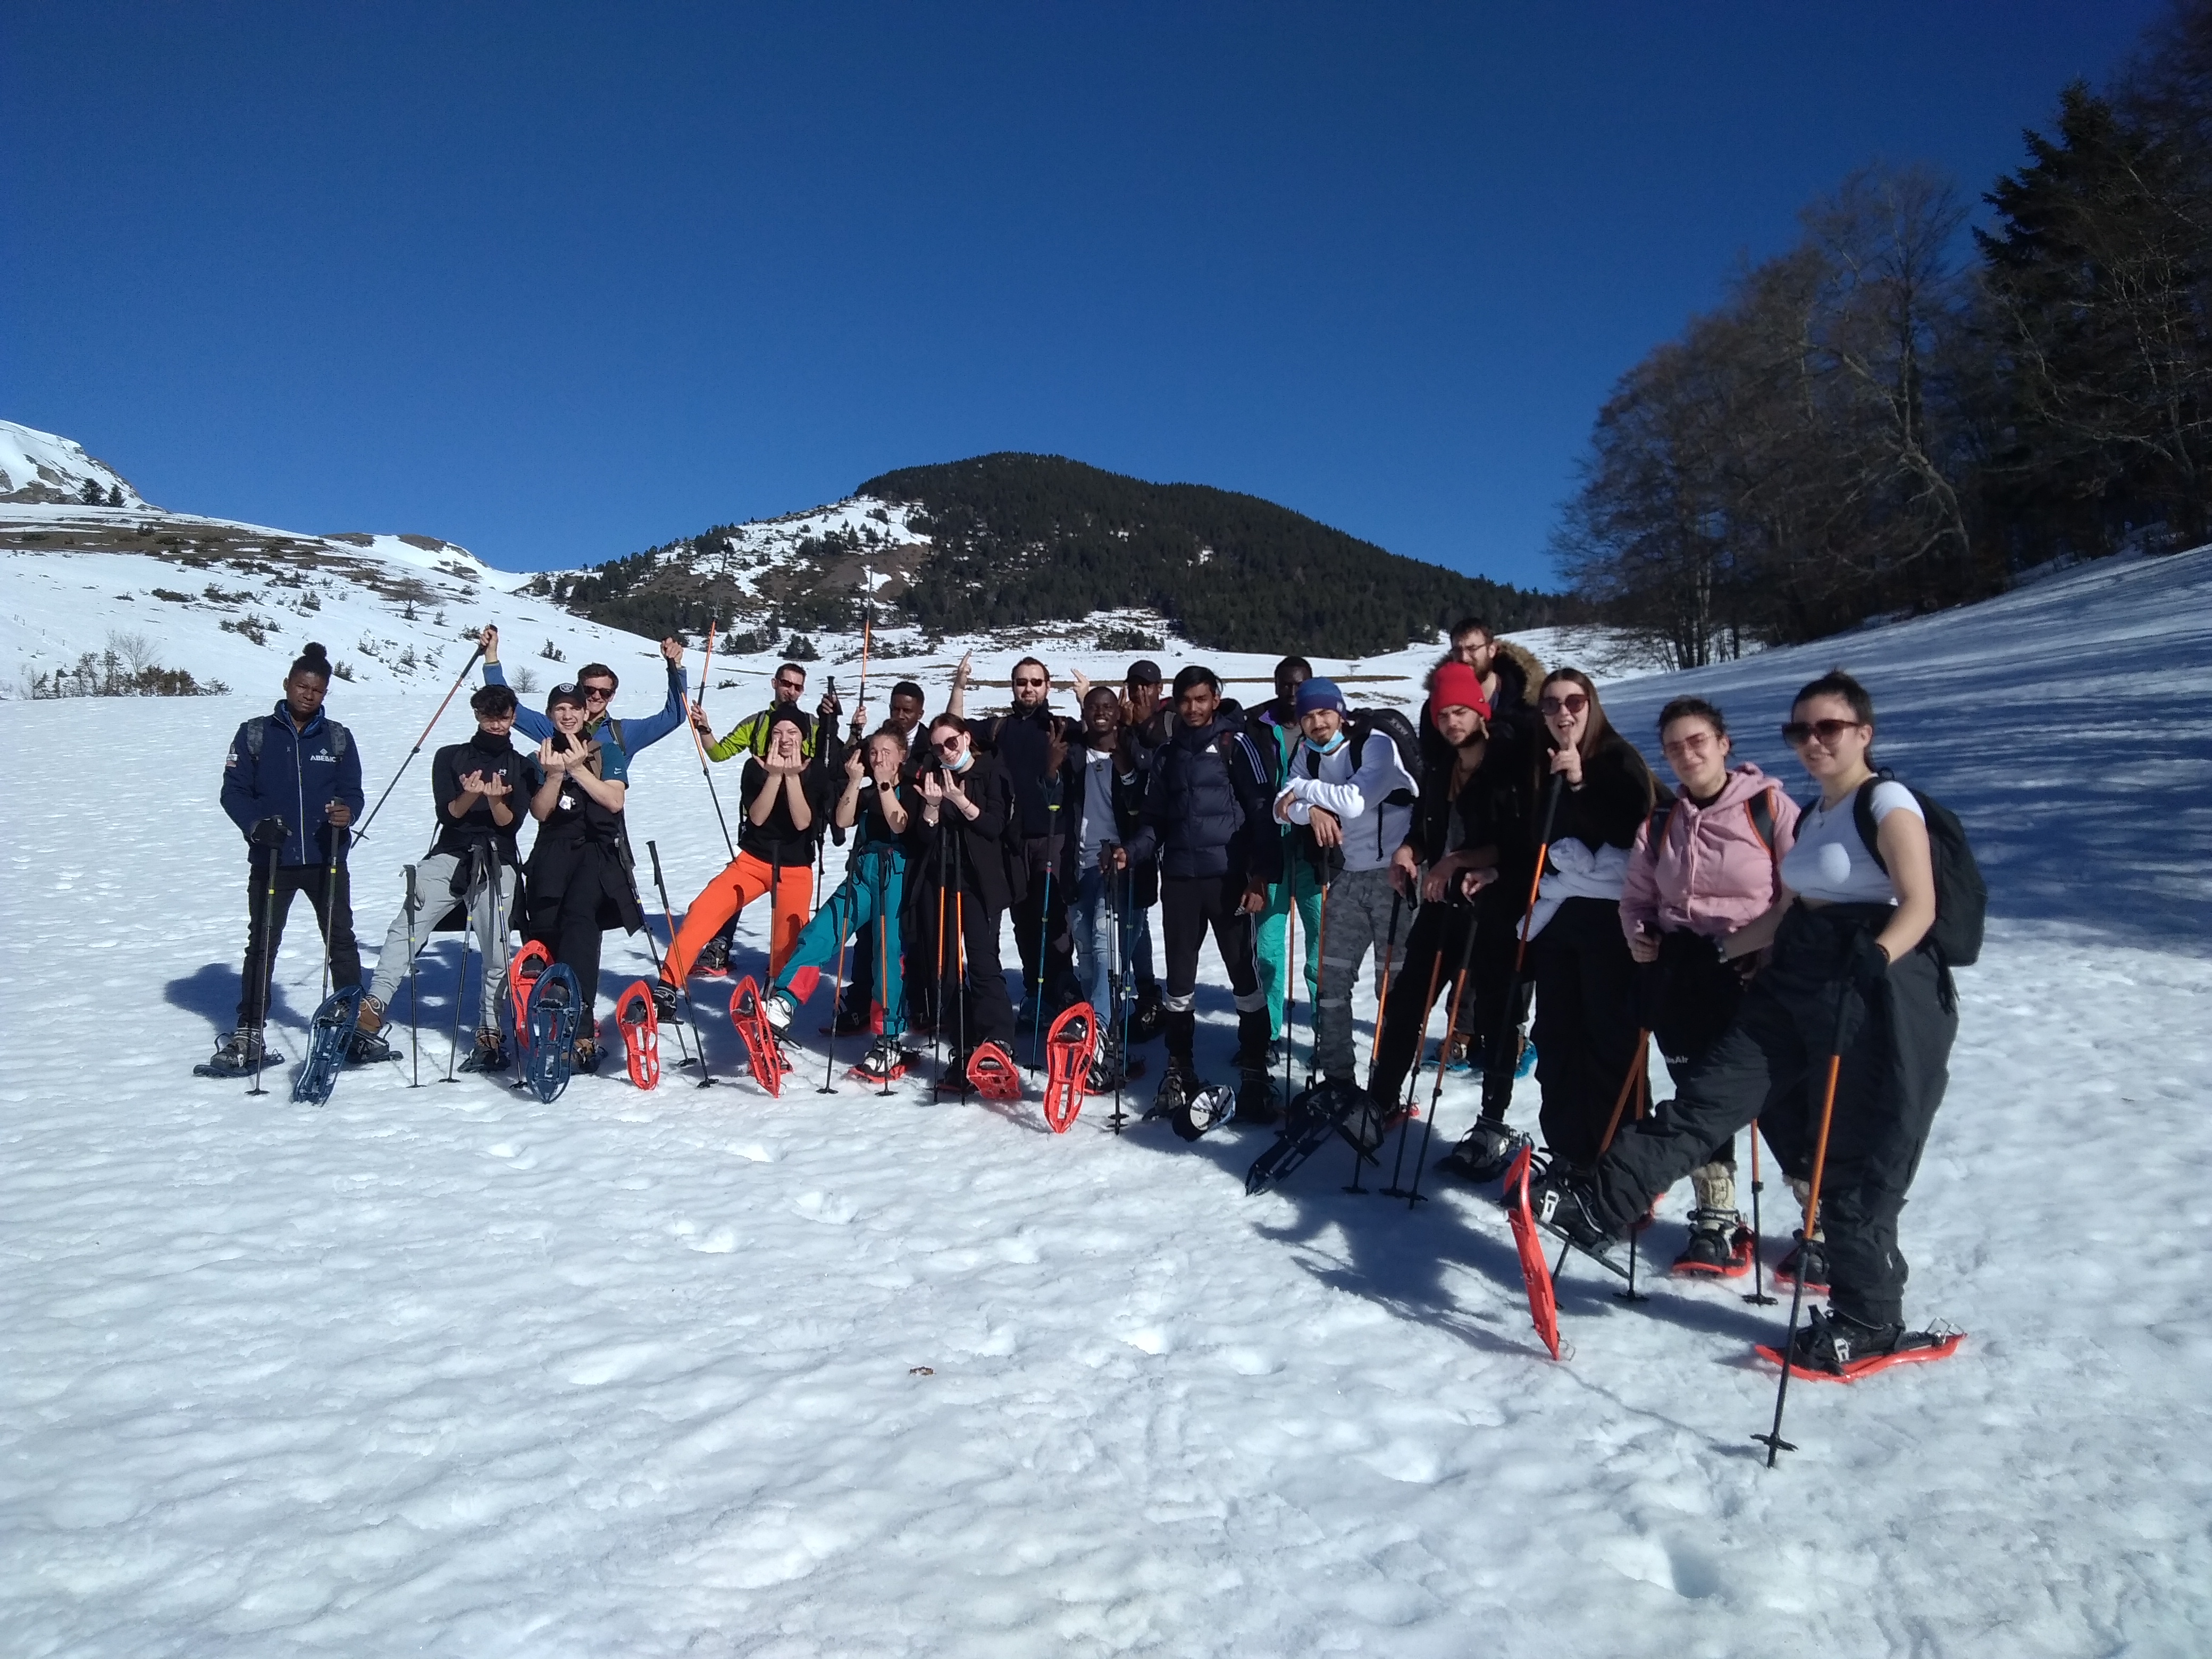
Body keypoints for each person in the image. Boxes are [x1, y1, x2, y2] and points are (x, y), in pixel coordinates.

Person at [1536, 669, 1959, 1371]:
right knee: (1706, 1100)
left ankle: (1869, 1313)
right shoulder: (1817, 810)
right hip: (1788, 981)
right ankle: (1598, 1208)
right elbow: (1788, 905)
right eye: (1801, 730)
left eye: (1828, 728)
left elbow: (1921, 903)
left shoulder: (1884, 802)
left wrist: (1874, 959)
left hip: (1876, 993)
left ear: (1864, 732)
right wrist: (1711, 947)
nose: (1813, 741)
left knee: (1848, 1147)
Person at [1622, 696, 1803, 1274]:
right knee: (1697, 1094)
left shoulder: (1768, 807)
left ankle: (1818, 1220)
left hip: (1755, 972)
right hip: (1683, 970)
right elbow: (1636, 898)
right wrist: (1639, 934)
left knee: (1781, 1097)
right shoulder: (1659, 820)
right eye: (1673, 746)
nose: (1685, 754)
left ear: (1723, 744)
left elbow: (1800, 892)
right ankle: (1715, 1214)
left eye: (1696, 740)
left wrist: (1767, 950)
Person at [1110, 665, 1283, 1125]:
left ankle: (1254, 1067)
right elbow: (1154, 822)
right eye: (1186, 700)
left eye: (1202, 699)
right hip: (1181, 882)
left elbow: (1262, 812)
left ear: (1215, 699)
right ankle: (1179, 1067)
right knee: (1179, 983)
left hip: (1228, 881)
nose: (1193, 709)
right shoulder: (1168, 755)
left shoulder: (1235, 743)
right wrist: (1132, 851)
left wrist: (1260, 876)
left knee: (1243, 978)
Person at [1519, 669, 1662, 1175]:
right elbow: (1535, 841)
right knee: (1557, 1038)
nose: (1563, 713)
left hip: (1611, 921)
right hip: (1559, 924)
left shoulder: (1618, 758)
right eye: (1551, 704)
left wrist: (1581, 781)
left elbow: (1634, 827)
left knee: (1610, 1038)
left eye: (1574, 702)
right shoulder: (1542, 765)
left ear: (1592, 705)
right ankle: (1567, 1151)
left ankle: (1618, 1160)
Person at [353, 682, 538, 1073]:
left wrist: (493, 800)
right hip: (451, 854)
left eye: (503, 717)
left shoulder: (522, 765)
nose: (496, 725)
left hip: (498, 858)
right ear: (477, 715)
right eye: (489, 717)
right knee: (407, 924)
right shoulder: (450, 757)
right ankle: (373, 1008)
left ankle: (490, 1029)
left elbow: (511, 824)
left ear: (513, 717)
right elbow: (448, 814)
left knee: (497, 947)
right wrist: (471, 795)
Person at [210, 642, 365, 1074]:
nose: (308, 695)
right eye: (302, 686)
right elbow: (233, 790)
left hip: (326, 857)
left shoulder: (337, 737)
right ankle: (249, 1030)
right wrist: (257, 825)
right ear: (287, 684)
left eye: (317, 690)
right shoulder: (256, 733)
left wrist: (347, 811)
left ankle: (352, 1023)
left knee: (341, 942)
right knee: (262, 942)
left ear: (325, 693)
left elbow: (352, 790)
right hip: (273, 859)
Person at [1372, 663, 1509, 1119]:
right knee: (1407, 1003)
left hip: (1494, 910)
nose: (1452, 721)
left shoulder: (1506, 767)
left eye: (1460, 711)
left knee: (1496, 1019)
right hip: (1440, 906)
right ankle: (1382, 1099)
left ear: (1480, 711)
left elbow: (1519, 843)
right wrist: (1407, 853)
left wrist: (1458, 860)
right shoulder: (1440, 770)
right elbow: (1423, 832)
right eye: (1443, 714)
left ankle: (1493, 1120)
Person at [1271, 676, 1418, 1091]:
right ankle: (1338, 1079)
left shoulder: (1375, 745)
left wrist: (1304, 794)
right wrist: (1311, 810)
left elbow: (1354, 802)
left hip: (1396, 878)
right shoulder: (1307, 753)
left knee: (1392, 990)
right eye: (1308, 716)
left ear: (1340, 711)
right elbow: (1279, 812)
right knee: (1331, 982)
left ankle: (1387, 1088)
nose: (1317, 723)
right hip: (1348, 878)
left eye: (1324, 713)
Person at [761, 727, 917, 1083]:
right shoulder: (864, 791)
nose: (879, 758)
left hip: (896, 874)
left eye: (886, 752)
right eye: (874, 752)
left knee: (887, 954)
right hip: (863, 872)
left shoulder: (910, 791)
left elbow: (900, 823)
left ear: (901, 757)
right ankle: (784, 1000)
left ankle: (888, 1037)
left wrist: (882, 785)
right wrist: (854, 783)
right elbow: (843, 821)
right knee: (822, 930)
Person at [658, 712, 829, 1004]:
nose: (785, 739)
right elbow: (758, 817)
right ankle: (668, 984)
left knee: (787, 940)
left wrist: (791, 776)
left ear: (804, 738)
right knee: (703, 909)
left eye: (792, 733)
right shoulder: (755, 767)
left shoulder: (818, 773)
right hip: (752, 861)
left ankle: (775, 998)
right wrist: (775, 776)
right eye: (778, 733)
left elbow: (803, 822)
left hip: (795, 868)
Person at [521, 684, 645, 1071]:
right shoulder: (537, 755)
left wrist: (576, 768)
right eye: (559, 709)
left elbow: (614, 800)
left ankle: (580, 1028)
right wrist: (555, 776)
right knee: (542, 928)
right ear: (551, 714)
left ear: (585, 713)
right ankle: (549, 1006)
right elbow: (540, 813)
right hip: (551, 851)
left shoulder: (606, 751)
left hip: (595, 850)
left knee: (580, 922)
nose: (568, 715)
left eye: (574, 708)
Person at [691, 659, 843, 973]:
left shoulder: (813, 727)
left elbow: (832, 761)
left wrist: (842, 725)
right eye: (786, 684)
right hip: (760, 817)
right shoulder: (757, 724)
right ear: (775, 683)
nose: (791, 691)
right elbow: (720, 753)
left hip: (797, 825)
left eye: (798, 686)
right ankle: (720, 944)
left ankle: (778, 965)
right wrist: (704, 729)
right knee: (735, 885)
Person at [951, 654, 1080, 1021]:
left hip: (1054, 835)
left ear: (1047, 687)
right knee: (1023, 920)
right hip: (1012, 839)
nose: (1028, 688)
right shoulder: (998, 729)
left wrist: (1085, 697)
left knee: (1053, 919)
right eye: (1022, 682)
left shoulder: (1060, 727)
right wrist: (960, 687)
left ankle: (1062, 992)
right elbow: (954, 729)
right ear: (1013, 686)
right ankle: (1035, 995)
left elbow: (1104, 732)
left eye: (1036, 682)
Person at [907, 713, 1018, 1085]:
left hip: (979, 884)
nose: (945, 752)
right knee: (948, 972)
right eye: (938, 747)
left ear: (966, 738)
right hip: (942, 883)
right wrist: (934, 807)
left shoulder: (991, 772)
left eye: (951, 743)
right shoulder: (932, 776)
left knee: (984, 964)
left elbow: (994, 826)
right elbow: (923, 838)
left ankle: (998, 1040)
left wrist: (961, 800)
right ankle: (965, 1046)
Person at [832, 678, 929, 1037]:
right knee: (866, 937)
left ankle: (907, 1006)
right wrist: (852, 731)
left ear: (920, 713)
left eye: (908, 711)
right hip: (869, 859)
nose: (901, 716)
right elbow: (843, 768)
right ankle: (859, 1004)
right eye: (895, 709)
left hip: (907, 862)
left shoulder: (922, 753)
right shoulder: (873, 747)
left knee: (900, 940)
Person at [1062, 684, 1145, 1089]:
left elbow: (1145, 810)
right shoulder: (1073, 753)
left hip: (1122, 868)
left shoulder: (1134, 752)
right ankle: (1112, 1037)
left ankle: (1098, 1039)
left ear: (1118, 713)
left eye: (1108, 707)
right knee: (1088, 957)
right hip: (1078, 868)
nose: (1100, 713)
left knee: (1105, 949)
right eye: (1092, 706)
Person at [479, 625, 691, 758]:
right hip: (558, 826)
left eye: (605, 692)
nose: (596, 696)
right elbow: (504, 704)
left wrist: (676, 668)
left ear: (612, 696)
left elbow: (675, 717)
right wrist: (491, 656)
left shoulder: (623, 733)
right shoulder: (555, 726)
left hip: (605, 825)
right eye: (589, 690)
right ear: (579, 690)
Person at [1253, 656, 1318, 1067]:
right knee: (1269, 951)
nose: (1292, 693)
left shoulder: (1327, 727)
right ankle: (1268, 1033)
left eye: (1299, 685)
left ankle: (1328, 1038)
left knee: (1322, 954)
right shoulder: (1257, 728)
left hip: (1316, 855)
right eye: (1285, 684)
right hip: (1271, 853)